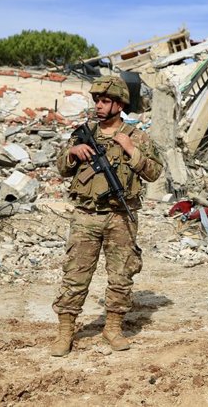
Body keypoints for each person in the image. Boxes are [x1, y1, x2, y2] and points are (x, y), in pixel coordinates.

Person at [51, 75, 163, 357]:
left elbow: (154, 172)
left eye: (105, 101)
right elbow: (61, 168)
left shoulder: (137, 136)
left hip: (120, 217)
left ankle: (112, 328)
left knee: (121, 276)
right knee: (75, 275)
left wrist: (130, 149)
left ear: (119, 104)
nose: (99, 106)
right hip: (86, 216)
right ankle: (66, 332)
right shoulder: (83, 133)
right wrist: (73, 153)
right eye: (97, 101)